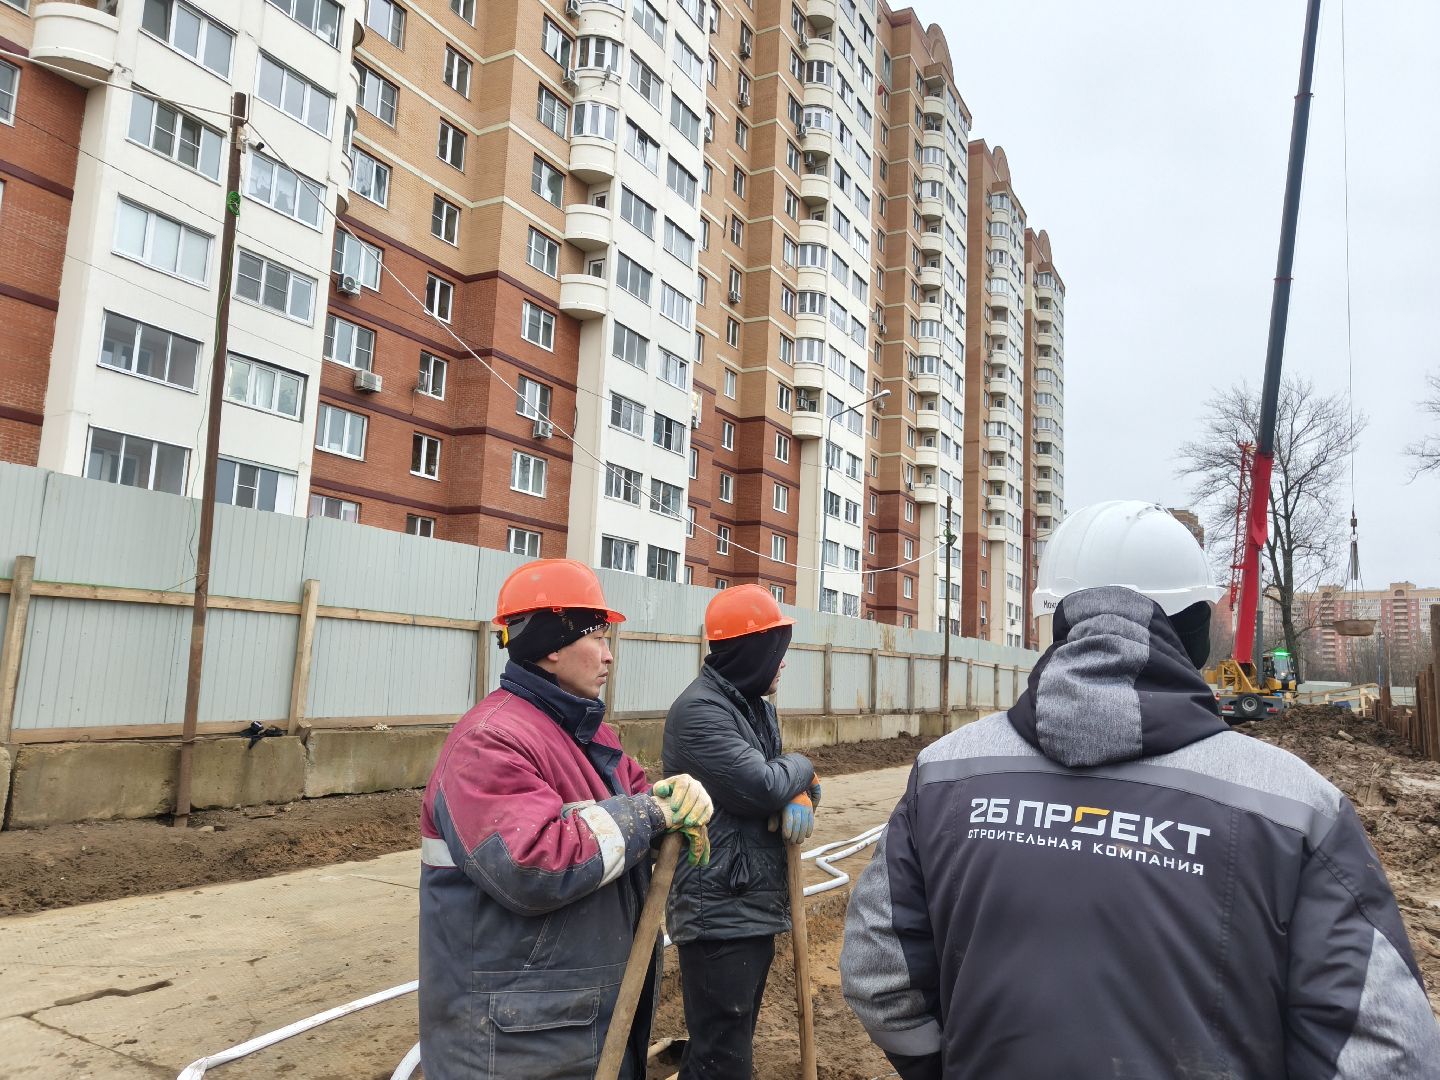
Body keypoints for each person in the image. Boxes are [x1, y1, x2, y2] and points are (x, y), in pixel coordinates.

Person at [841, 501, 1440, 1079]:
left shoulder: (944, 773)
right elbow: (1386, 1051)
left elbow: (880, 978)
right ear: (1197, 625)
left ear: (1056, 617)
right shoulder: (1298, 805)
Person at [419, 559, 713, 1080]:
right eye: (598, 637)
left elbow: (639, 797)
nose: (608, 655)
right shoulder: (490, 741)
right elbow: (530, 865)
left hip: (571, 1024)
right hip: (519, 1044)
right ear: (552, 646)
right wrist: (648, 814)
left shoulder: (583, 731)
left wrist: (669, 802)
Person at [662, 583, 822, 1079]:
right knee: (721, 1059)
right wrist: (801, 767)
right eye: (778, 652)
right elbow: (759, 785)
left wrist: (799, 790)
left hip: (750, 900)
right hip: (718, 910)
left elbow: (790, 786)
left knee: (730, 1049)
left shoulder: (753, 706)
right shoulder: (701, 713)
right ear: (752, 653)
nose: (784, 663)